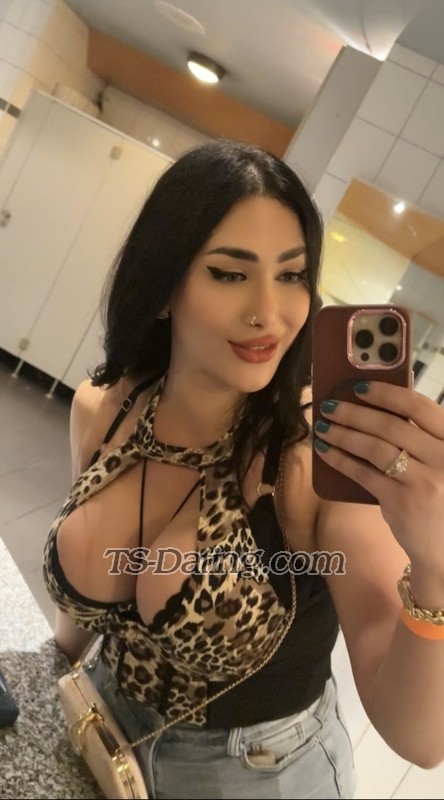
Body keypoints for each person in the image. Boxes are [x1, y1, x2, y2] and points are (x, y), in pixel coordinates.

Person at [43, 139, 444, 800]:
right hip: (102, 730)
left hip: (258, 775)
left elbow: (420, 741)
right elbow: (87, 614)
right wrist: (47, 674)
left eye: (292, 275)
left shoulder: (311, 459)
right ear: (164, 285)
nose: (269, 312)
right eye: (231, 273)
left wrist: (435, 566)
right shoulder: (106, 408)